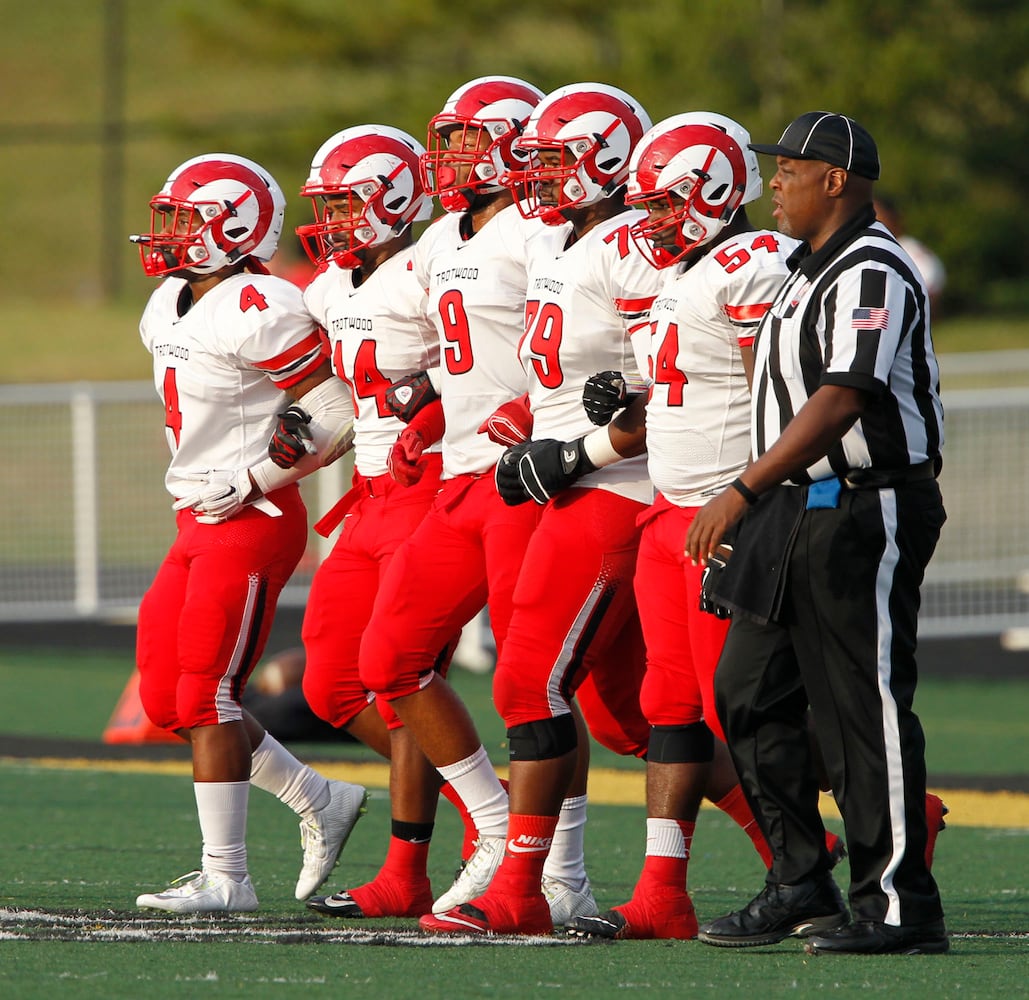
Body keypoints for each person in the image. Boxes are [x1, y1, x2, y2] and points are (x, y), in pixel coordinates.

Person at [685, 111, 948, 955]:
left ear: (835, 179)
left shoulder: (872, 267)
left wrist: (738, 487)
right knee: (745, 695)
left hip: (866, 503)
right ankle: (801, 879)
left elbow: (844, 395)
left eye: (788, 171)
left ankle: (900, 905)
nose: (774, 187)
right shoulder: (804, 269)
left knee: (860, 709)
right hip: (793, 506)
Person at [563, 112, 816, 941]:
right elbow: (695, 382)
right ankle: (661, 891)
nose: (650, 224)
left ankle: (881, 821)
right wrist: (632, 407)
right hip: (672, 511)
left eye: (666, 204)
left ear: (714, 193)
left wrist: (751, 499)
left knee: (734, 707)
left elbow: (774, 394)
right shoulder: (691, 270)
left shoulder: (757, 262)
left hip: (725, 510)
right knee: (668, 705)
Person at [419, 82, 662, 938]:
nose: (542, 176)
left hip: (618, 491)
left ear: (605, 156)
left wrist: (579, 450)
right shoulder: (562, 235)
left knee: (530, 680)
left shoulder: (633, 242)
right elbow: (565, 369)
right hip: (570, 487)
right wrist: (534, 418)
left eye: (559, 159)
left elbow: (669, 380)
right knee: (636, 712)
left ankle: (524, 885)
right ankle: (812, 849)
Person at [324, 77, 560, 919]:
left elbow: (576, 342)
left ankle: (557, 873)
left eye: (466, 140)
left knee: (575, 693)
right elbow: (454, 354)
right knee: (388, 659)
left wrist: (531, 407)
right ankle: (497, 827)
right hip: (460, 476)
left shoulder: (545, 230)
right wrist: (425, 410)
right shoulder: (439, 237)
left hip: (534, 474)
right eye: (448, 140)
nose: (449, 157)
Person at [130, 153, 368, 913]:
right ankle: (317, 797)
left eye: (184, 219)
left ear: (234, 226)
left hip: (249, 516)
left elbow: (334, 412)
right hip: (193, 517)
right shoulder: (167, 302)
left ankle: (226, 875)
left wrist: (254, 479)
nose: (167, 234)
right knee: (168, 698)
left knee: (207, 694)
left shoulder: (259, 302)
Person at [271, 123, 472, 921]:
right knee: (328, 682)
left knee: (402, 680)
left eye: (348, 201)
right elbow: (342, 403)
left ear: (394, 199)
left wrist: (431, 401)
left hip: (429, 490)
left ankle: (409, 868)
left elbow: (484, 366)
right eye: (328, 203)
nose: (335, 218)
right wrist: (302, 431)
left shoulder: (431, 267)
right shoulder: (328, 286)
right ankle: (477, 795)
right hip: (368, 493)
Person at [873, 194, 946, 317]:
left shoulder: (908, 249)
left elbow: (931, 282)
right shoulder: (875, 249)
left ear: (893, 216)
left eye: (877, 214)